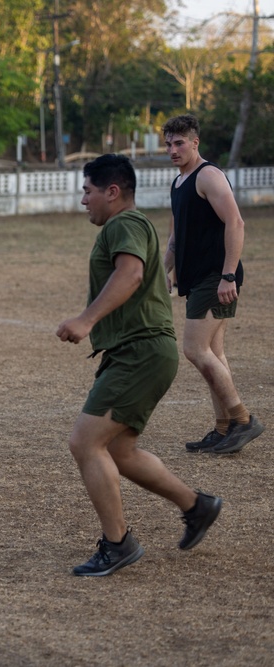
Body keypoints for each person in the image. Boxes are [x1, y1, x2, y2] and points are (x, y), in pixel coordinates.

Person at [57, 154, 222, 576]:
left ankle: (119, 545)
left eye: (88, 191)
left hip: (141, 352)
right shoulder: (132, 224)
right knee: (119, 449)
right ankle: (196, 506)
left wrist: (86, 320)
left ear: (112, 192)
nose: (83, 201)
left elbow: (129, 275)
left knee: (84, 442)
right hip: (139, 351)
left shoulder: (123, 224)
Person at [162, 114, 264, 454]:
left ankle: (243, 419)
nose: (173, 150)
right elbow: (176, 235)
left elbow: (235, 222)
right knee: (213, 353)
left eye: (179, 143)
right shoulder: (178, 183)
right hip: (198, 278)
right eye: (168, 144)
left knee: (195, 349)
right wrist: (166, 270)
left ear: (195, 143)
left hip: (216, 277)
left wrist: (228, 275)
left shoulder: (208, 175)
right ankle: (223, 430)